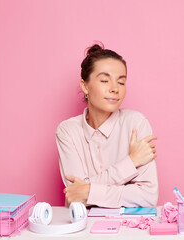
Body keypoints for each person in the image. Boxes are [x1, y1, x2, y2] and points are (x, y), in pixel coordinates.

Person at [56, 43, 158, 208]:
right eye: (104, 80)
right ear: (85, 86)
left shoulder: (136, 123)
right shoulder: (67, 131)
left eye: (121, 82)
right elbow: (75, 194)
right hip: (82, 229)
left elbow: (148, 196)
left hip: (128, 229)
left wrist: (88, 191)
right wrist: (131, 162)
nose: (114, 89)